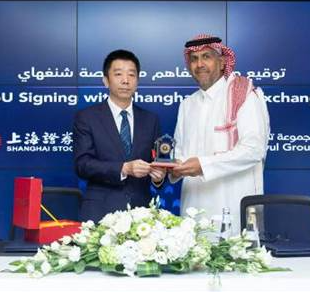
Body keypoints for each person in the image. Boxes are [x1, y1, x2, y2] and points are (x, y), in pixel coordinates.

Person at [170, 34, 270, 233]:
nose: (199, 64)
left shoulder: (244, 94)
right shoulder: (187, 104)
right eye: (194, 59)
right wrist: (173, 168)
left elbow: (254, 150)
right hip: (193, 209)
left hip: (233, 204)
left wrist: (203, 165)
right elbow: (179, 152)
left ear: (223, 62)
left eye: (206, 57)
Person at [73, 49, 165, 222]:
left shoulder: (150, 119)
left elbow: (157, 162)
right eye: (118, 74)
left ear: (137, 81)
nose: (125, 80)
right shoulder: (87, 117)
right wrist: (124, 168)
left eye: (131, 75)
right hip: (100, 213)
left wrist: (158, 177)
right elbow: (83, 165)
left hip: (141, 216)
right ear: (106, 81)